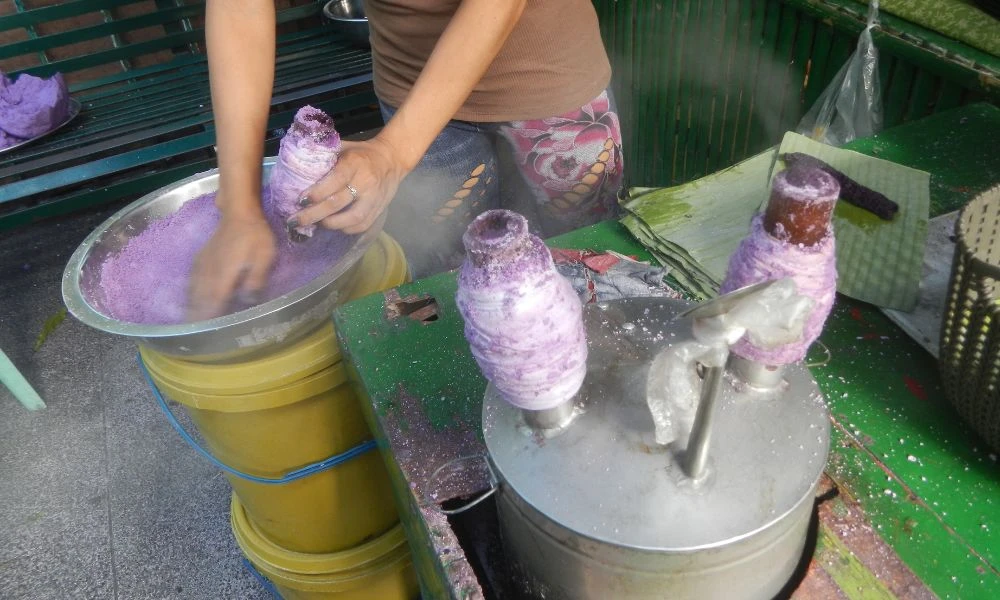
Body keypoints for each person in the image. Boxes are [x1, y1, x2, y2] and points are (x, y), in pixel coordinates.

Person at [188, 0, 624, 320]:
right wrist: (240, 206)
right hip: (411, 87)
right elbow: (240, 10)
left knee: (588, 260)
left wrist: (394, 154)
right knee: (438, 274)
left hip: (554, 83)